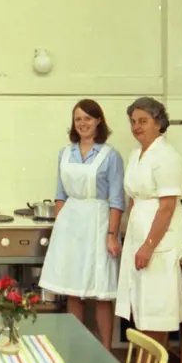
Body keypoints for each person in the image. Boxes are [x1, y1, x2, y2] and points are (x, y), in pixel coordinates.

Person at [37, 99, 126, 349]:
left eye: (88, 118)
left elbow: (117, 200)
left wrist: (111, 235)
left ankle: (106, 350)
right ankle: (74, 348)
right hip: (71, 225)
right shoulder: (65, 154)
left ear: (98, 121)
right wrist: (60, 230)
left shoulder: (110, 156)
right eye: (78, 119)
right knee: (73, 290)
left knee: (101, 292)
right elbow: (60, 195)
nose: (83, 123)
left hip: (99, 224)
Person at [115, 96, 182, 351]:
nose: (136, 127)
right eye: (133, 121)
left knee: (156, 305)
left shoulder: (167, 156)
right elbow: (134, 197)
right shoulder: (136, 154)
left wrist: (148, 245)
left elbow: (167, 208)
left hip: (158, 240)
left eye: (143, 121)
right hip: (137, 234)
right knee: (140, 302)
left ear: (158, 123)